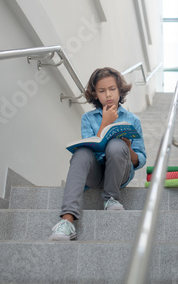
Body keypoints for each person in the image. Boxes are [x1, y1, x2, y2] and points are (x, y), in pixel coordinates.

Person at [49, 67, 146, 241]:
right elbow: (92, 146)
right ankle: (67, 220)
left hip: (119, 173)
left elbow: (141, 160)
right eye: (102, 91)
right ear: (95, 95)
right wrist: (105, 123)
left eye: (112, 89)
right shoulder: (88, 118)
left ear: (120, 90)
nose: (108, 94)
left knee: (117, 145)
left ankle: (111, 199)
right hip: (95, 174)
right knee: (82, 152)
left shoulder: (133, 120)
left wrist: (129, 149)